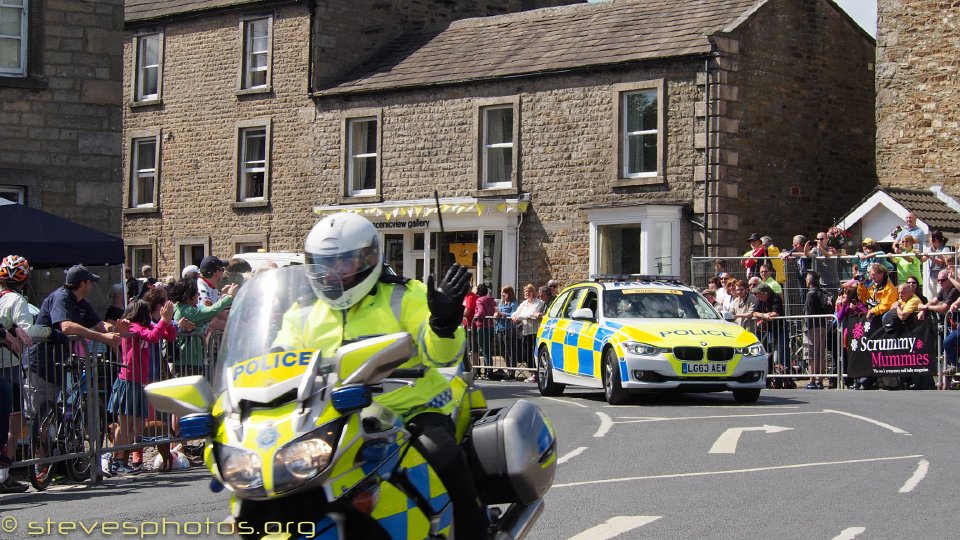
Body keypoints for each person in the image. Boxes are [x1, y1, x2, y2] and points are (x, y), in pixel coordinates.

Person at [271, 213, 489, 538]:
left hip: (410, 408)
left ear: (368, 259)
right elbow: (277, 365)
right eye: (325, 263)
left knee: (438, 452)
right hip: (330, 420)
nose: (335, 271)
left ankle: (474, 532)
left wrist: (442, 324)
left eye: (345, 261)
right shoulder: (302, 313)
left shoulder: (406, 296)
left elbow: (441, 355)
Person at [22, 265, 122, 423]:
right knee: (39, 417)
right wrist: (102, 338)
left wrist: (115, 329)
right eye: (91, 282)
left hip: (58, 364)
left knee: (52, 414)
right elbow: (66, 326)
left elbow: (100, 325)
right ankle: (37, 447)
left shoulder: (81, 302)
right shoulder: (62, 297)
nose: (92, 286)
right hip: (41, 365)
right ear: (83, 284)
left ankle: (57, 445)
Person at [106, 299, 176, 476]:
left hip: (138, 382)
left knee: (137, 426)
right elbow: (152, 337)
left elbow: (169, 336)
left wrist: (166, 321)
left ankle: (121, 459)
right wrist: (163, 320)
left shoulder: (145, 326)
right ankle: (114, 459)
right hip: (128, 380)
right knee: (125, 423)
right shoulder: (132, 327)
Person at [0, 255, 50, 493]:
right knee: (14, 419)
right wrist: (51, 331)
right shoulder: (17, 300)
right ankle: (3, 474)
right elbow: (29, 331)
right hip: (9, 363)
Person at [171, 279, 235, 377]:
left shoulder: (184, 308)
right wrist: (230, 296)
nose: (198, 295)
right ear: (189, 295)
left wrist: (223, 297)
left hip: (190, 360)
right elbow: (212, 310)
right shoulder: (186, 311)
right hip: (188, 361)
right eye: (196, 292)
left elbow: (209, 313)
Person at [750, 284, 785, 388]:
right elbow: (754, 313)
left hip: (777, 330)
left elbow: (775, 313)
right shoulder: (760, 300)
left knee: (776, 357)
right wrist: (764, 315)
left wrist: (768, 315)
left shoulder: (775, 298)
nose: (756, 295)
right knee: (767, 356)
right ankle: (767, 381)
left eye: (758, 293)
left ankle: (778, 381)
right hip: (766, 331)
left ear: (765, 293)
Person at [802, 271, 833, 389]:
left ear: (809, 281)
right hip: (823, 326)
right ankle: (820, 380)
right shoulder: (823, 293)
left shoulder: (810, 294)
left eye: (806, 278)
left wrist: (806, 328)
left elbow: (809, 312)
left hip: (812, 327)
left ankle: (812, 380)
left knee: (811, 354)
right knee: (820, 353)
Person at [512, 284, 544, 381]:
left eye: (529, 291)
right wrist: (514, 316)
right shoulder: (524, 303)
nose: (527, 293)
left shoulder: (538, 302)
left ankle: (536, 373)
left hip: (534, 331)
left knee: (534, 353)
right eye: (526, 291)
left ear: (533, 292)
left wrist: (520, 317)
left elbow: (532, 313)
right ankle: (532, 373)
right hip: (525, 331)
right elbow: (516, 313)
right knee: (526, 353)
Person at [493, 286, 519, 379]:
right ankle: (508, 370)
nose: (502, 294)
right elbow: (498, 313)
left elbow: (513, 314)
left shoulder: (513, 303)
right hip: (500, 329)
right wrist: (496, 314)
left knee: (510, 351)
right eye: (502, 292)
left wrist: (502, 314)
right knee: (503, 351)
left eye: (504, 292)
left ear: (509, 293)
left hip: (509, 329)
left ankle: (512, 373)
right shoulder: (501, 302)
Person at [471, 284, 496, 378]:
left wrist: (475, 316)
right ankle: (489, 370)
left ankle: (488, 372)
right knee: (489, 350)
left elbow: (481, 312)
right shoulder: (491, 300)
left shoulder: (480, 300)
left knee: (485, 350)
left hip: (482, 327)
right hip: (491, 326)